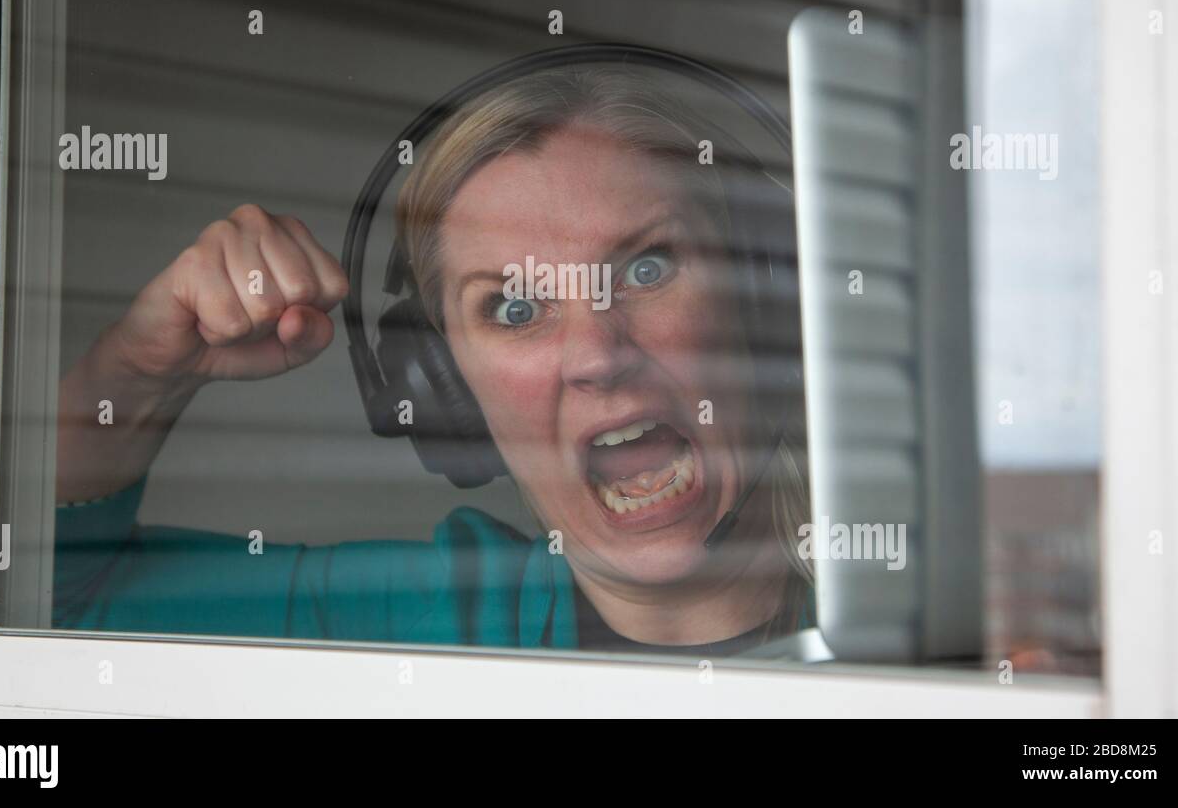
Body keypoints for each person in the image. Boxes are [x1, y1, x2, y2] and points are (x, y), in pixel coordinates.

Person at [53, 65, 815, 657]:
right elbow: (37, 604)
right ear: (447, 387)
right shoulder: (436, 621)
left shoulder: (915, 596)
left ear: (765, 302)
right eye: (514, 309)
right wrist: (141, 373)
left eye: (645, 269)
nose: (597, 355)